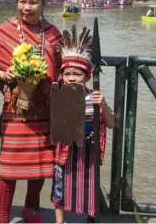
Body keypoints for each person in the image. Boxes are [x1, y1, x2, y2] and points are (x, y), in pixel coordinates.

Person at [0, 0, 62, 223]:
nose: (27, 8)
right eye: (22, 2)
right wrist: (1, 75)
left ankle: (31, 209)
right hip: (15, 108)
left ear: (43, 4)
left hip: (45, 109)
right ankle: (2, 217)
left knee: (40, 165)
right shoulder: (4, 31)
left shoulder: (53, 33)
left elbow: (64, 67)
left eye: (33, 3)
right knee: (9, 168)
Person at [50, 26, 115, 224]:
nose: (71, 77)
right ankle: (60, 222)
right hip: (65, 149)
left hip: (87, 149)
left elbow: (111, 124)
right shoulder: (57, 94)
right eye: (67, 73)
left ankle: (90, 218)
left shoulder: (94, 98)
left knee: (89, 186)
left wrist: (102, 103)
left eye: (77, 74)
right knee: (60, 188)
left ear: (86, 77)